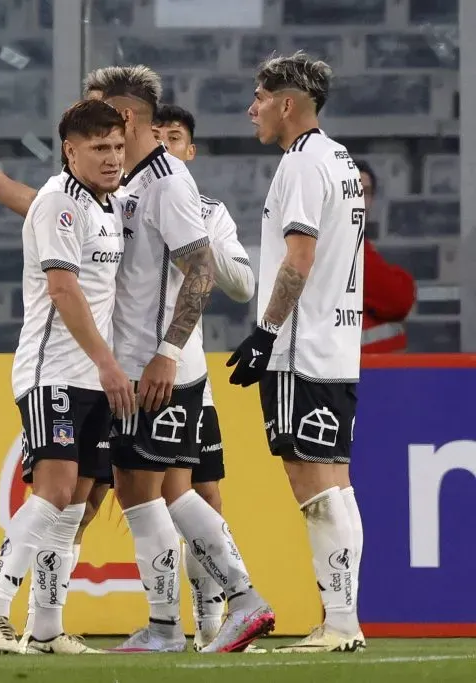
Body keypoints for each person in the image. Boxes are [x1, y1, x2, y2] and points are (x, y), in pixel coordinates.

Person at [0, 67, 273, 655]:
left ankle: (226, 602)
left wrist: (164, 354)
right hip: (119, 370)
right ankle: (83, 626)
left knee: (149, 495)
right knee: (147, 493)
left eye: (106, 121)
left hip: (150, 368)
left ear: (126, 119)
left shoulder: (167, 182)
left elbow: (202, 272)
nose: (103, 134)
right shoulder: (121, 186)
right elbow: (49, 212)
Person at [0, 99, 134, 655]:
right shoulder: (62, 202)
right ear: (70, 150)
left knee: (80, 501)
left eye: (116, 146)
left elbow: (24, 200)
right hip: (54, 373)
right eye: (99, 148)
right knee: (55, 491)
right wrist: (110, 364)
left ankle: (46, 625)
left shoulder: (104, 203)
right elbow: (63, 291)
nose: (112, 158)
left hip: (92, 377)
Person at [228, 51, 365, 653]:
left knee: (311, 485)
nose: (251, 108)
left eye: (259, 96)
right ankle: (344, 619)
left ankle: (339, 623)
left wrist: (265, 334)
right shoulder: (340, 160)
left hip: (300, 347)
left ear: (287, 104)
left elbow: (299, 258)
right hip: (337, 345)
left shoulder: (303, 165)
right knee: (336, 485)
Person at [151, 104, 260, 652]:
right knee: (115, 494)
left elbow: (242, 285)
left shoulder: (211, 211)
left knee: (204, 493)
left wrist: (194, 231)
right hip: (132, 370)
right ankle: (159, 621)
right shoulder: (128, 202)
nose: (168, 145)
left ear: (190, 152)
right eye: (160, 136)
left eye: (177, 139)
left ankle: (211, 623)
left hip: (188, 372)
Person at [354, 159, 415, 353]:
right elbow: (398, 299)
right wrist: (401, 277)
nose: (360, 201)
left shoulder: (359, 243)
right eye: (352, 192)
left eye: (366, 193)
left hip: (372, 371)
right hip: (357, 373)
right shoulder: (342, 244)